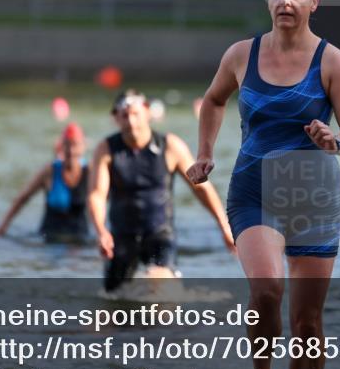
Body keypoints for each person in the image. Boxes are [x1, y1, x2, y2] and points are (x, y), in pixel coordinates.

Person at [186, 0, 340, 369]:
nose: (285, 1)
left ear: (313, 3)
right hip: (254, 190)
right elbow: (213, 101)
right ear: (268, 1)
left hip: (314, 196)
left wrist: (336, 140)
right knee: (267, 290)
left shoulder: (332, 61)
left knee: (307, 321)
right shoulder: (241, 54)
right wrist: (205, 153)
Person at [88, 91, 235, 292]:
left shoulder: (170, 146)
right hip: (121, 236)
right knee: (113, 298)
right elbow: (97, 193)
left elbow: (201, 187)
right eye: (124, 115)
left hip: (159, 234)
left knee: (160, 285)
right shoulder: (106, 149)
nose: (131, 121)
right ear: (116, 118)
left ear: (147, 112)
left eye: (135, 114)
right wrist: (101, 230)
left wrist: (224, 225)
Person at [0, 123, 90, 243]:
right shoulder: (50, 171)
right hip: (50, 239)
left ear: (84, 146)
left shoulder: (90, 173)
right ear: (61, 146)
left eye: (75, 145)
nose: (71, 150)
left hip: (80, 240)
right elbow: (23, 198)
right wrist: (2, 228)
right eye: (67, 145)